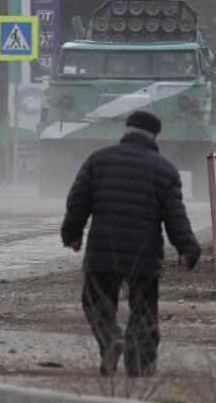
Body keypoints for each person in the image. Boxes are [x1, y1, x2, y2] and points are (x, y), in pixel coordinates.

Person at [62, 111, 200, 377]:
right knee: (144, 311)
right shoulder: (164, 170)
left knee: (96, 302)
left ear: (125, 132)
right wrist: (188, 250)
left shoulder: (98, 160)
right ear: (155, 136)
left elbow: (77, 203)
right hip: (144, 256)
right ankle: (140, 370)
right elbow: (176, 218)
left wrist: (72, 235)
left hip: (103, 251)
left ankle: (111, 338)